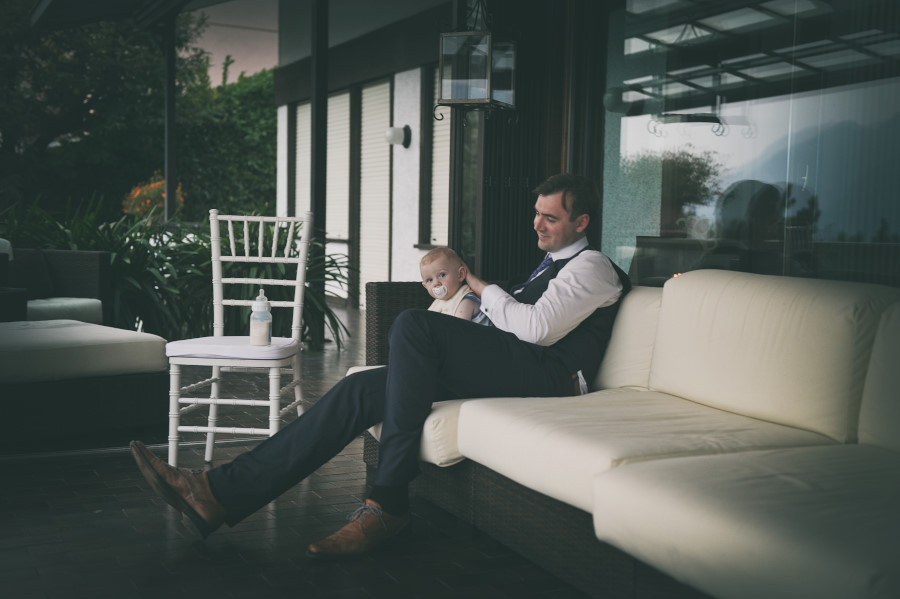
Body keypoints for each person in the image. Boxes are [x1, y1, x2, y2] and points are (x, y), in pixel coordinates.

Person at [130, 172, 631, 559]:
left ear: (581, 223)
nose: (538, 224)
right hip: (511, 364)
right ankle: (215, 492)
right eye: (537, 214)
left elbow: (536, 329)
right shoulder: (550, 266)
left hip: (550, 377)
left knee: (414, 324)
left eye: (551, 218)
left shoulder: (594, 266)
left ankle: (388, 500)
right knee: (363, 389)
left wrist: (480, 286)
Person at [420, 247, 490, 325]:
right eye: (430, 280)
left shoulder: (465, 301)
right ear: (425, 286)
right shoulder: (439, 303)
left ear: (460, 274)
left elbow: (457, 330)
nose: (436, 283)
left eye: (442, 275)